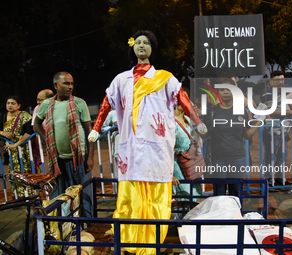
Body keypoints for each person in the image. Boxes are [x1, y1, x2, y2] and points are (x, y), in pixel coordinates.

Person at [87, 30, 206, 255]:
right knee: (130, 198)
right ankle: (129, 242)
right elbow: (106, 104)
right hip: (130, 152)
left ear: (153, 48)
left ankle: (151, 245)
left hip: (157, 151)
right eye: (138, 42)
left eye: (146, 42)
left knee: (157, 200)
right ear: (132, 47)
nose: (141, 46)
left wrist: (196, 121)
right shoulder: (121, 79)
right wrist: (96, 128)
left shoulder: (165, 78)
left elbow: (183, 99)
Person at [34, 71, 94, 217]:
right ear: (56, 85)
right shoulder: (47, 104)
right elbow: (36, 123)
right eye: (66, 83)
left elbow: (89, 130)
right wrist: (45, 139)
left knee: (83, 192)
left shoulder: (79, 103)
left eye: (72, 83)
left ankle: (88, 224)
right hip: (57, 159)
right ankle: (63, 225)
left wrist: (90, 157)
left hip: (79, 158)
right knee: (59, 194)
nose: (70, 86)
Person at [202, 78, 263, 196]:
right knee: (219, 194)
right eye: (222, 90)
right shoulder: (212, 111)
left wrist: (260, 121)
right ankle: (221, 215)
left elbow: (246, 134)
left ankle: (236, 214)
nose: (225, 92)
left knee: (236, 193)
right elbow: (205, 135)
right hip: (218, 159)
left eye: (228, 89)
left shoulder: (240, 111)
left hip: (238, 159)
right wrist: (197, 123)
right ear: (217, 92)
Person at [260, 71, 292, 186]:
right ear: (271, 81)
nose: (280, 82)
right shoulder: (267, 92)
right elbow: (271, 110)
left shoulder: (278, 92)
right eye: (277, 80)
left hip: (282, 131)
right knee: (271, 157)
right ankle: (268, 180)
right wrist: (291, 111)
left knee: (282, 156)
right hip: (272, 131)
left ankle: (280, 179)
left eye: (282, 79)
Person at [0, 96, 34, 199]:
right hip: (9, 151)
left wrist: (16, 144)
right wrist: (3, 133)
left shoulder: (24, 116)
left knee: (25, 172)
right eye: (8, 103)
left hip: (23, 150)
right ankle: (16, 197)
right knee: (12, 173)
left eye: (13, 103)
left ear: (19, 105)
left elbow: (29, 133)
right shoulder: (2, 116)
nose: (10, 105)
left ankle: (28, 196)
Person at [172, 88, 202, 201]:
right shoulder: (170, 122)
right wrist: (170, 175)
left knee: (196, 194)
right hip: (178, 165)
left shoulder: (188, 119)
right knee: (184, 196)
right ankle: (183, 218)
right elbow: (165, 148)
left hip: (191, 163)